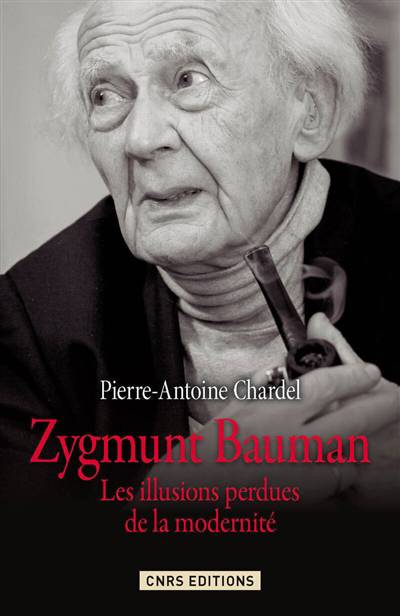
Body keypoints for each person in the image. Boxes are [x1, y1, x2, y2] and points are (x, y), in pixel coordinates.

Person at [0, 0, 399, 508]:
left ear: (309, 109)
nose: (141, 139)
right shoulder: (31, 326)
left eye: (189, 80)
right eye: (106, 95)